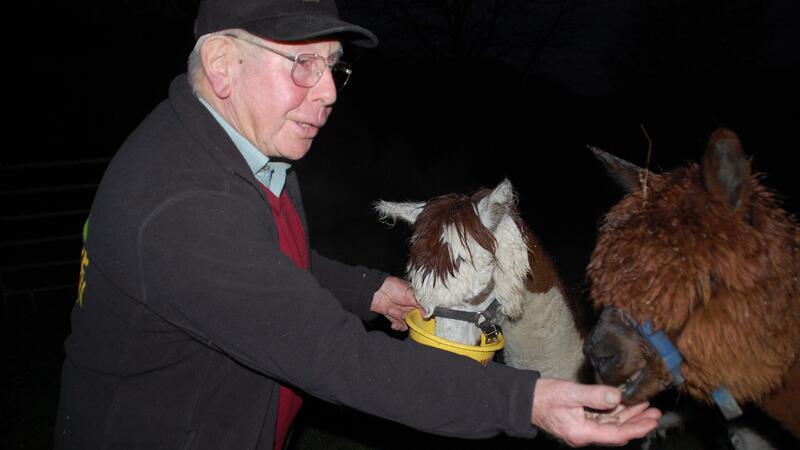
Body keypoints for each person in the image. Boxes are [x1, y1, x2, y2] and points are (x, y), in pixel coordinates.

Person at [54, 0, 661, 448]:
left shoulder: (249, 149)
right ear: (221, 65)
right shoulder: (182, 201)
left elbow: (268, 265)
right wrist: (529, 400)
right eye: (301, 64)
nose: (327, 92)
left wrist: (366, 290)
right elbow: (333, 357)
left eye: (332, 68)